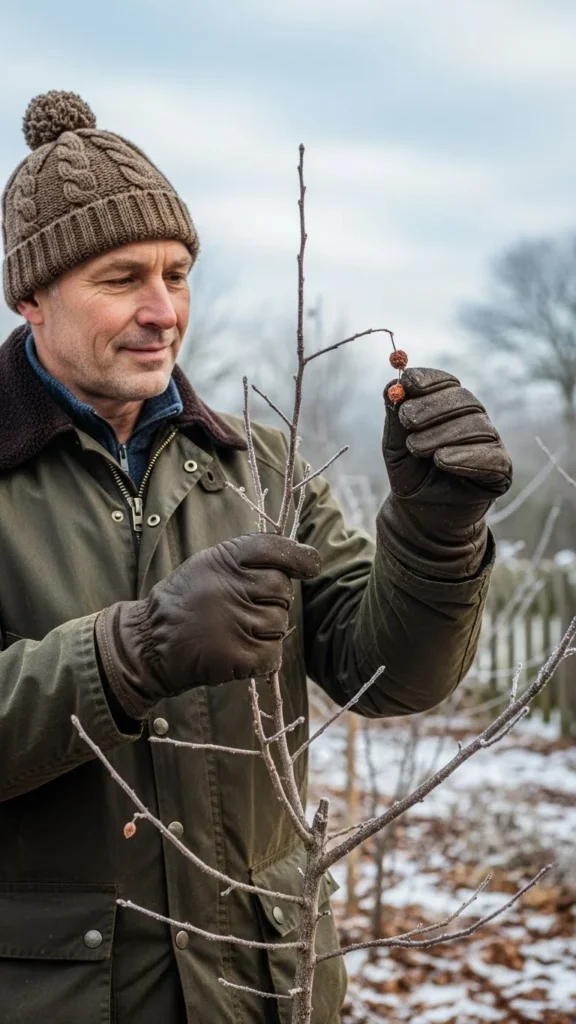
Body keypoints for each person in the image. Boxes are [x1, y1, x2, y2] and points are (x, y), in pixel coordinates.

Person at [0, 90, 512, 1024]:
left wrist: (437, 535)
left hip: (260, 990)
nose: (163, 311)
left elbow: (385, 676)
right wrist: (131, 653)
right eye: (122, 279)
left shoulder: (259, 465)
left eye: (178, 274)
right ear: (32, 297)